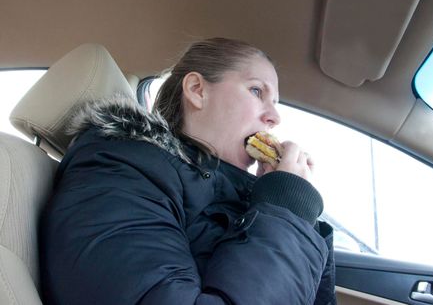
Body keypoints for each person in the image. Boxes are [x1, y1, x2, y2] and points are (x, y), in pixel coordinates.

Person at [40, 37, 336, 304]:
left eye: (275, 102)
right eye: (257, 90)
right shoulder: (118, 171)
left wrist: (295, 218)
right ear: (197, 90)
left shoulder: (231, 193)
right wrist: (286, 213)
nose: (274, 117)